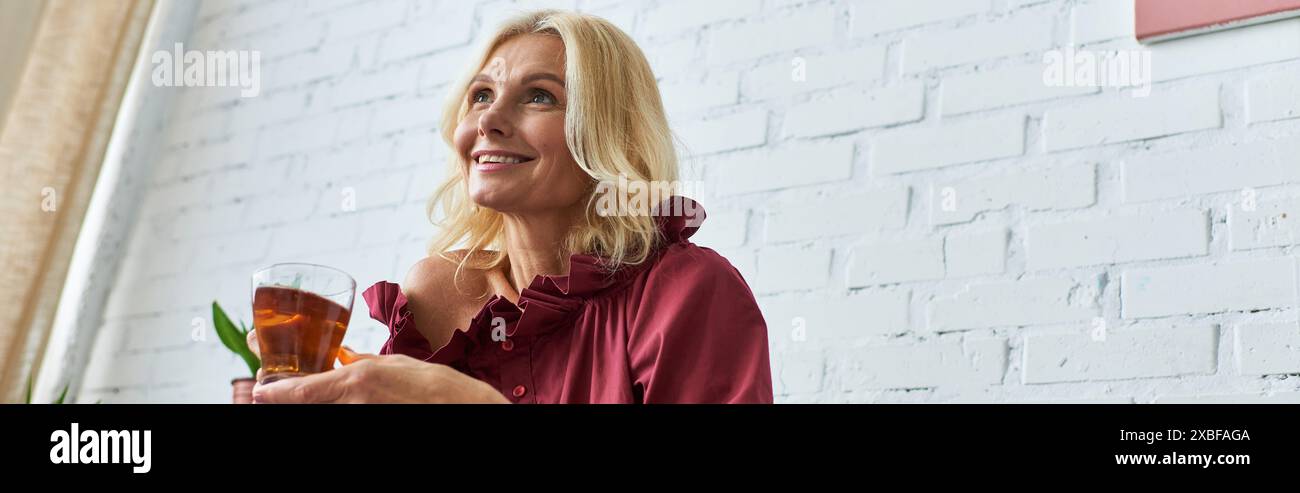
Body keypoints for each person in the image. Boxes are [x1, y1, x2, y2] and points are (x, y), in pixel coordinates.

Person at [250, 9, 773, 404]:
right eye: (480, 94)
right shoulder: (435, 296)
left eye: (539, 96)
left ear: (609, 136)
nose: (489, 120)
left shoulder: (683, 292)